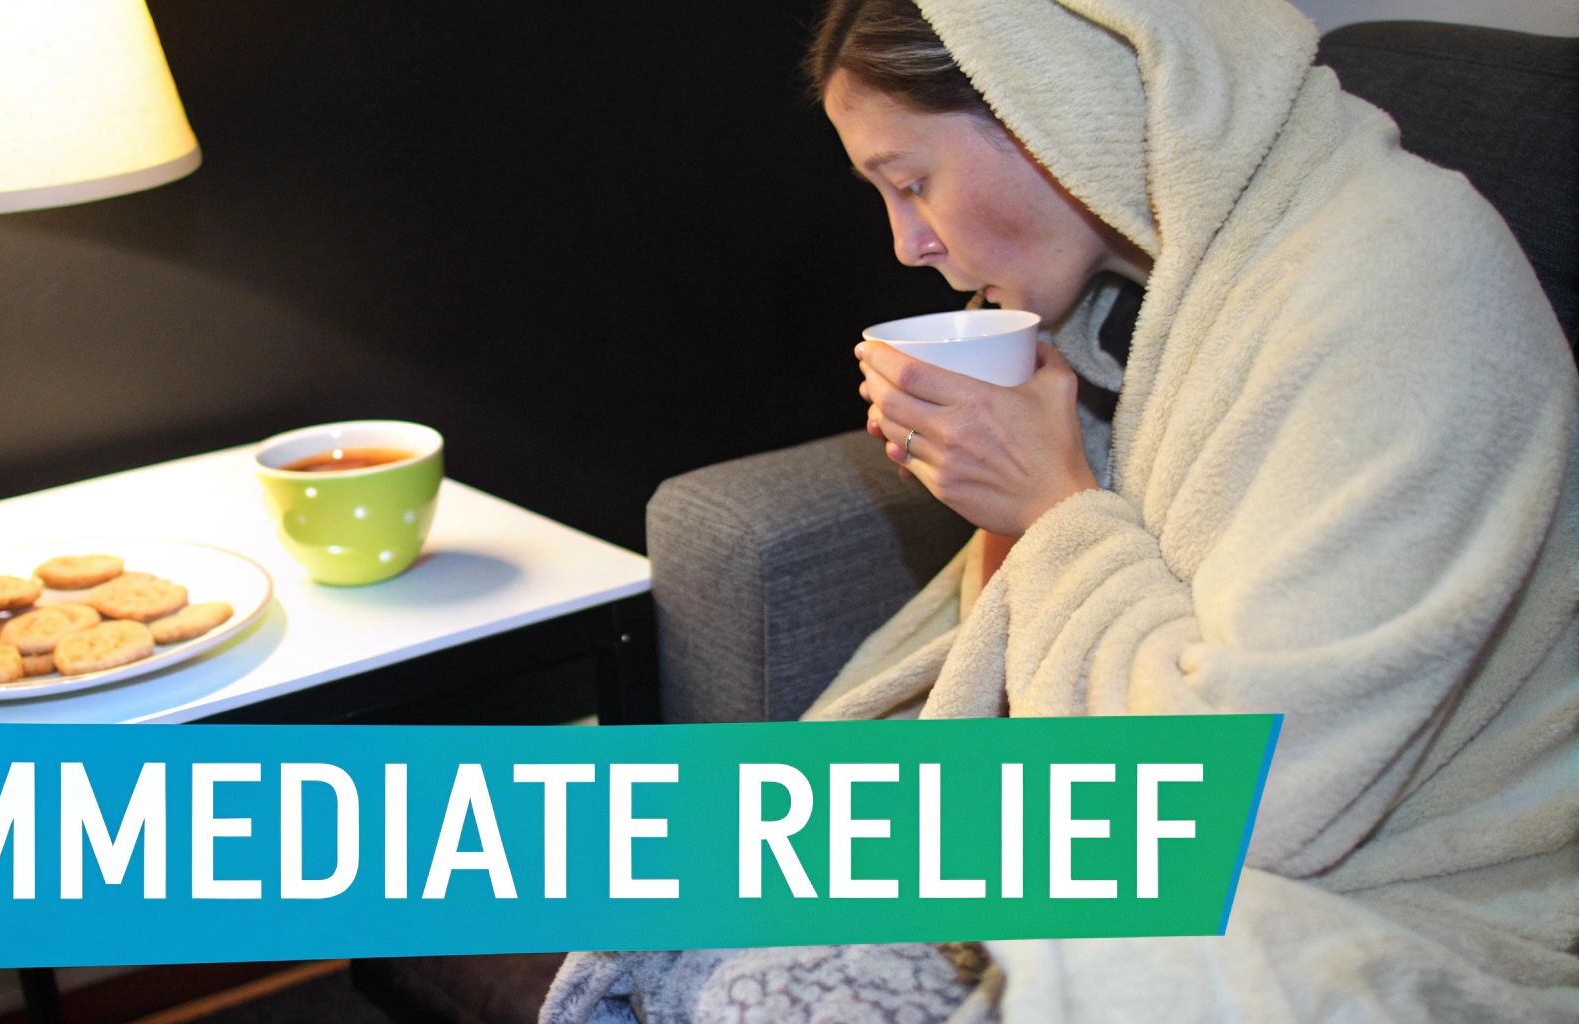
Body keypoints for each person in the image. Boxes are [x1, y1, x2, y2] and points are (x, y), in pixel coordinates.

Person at [546, 0, 1578, 1020]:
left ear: (1053, 105)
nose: (906, 243)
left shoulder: (1395, 290)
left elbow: (1241, 806)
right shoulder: (1124, 293)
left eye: (911, 182)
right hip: (1149, 805)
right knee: (663, 880)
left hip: (1381, 866)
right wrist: (997, 503)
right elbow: (1016, 666)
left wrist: (1050, 509)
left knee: (760, 984)